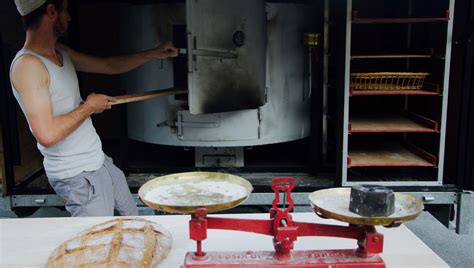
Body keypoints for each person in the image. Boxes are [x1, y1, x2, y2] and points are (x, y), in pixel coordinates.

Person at [10, 0, 178, 216]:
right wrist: (88, 107)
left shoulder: (59, 52)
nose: (69, 17)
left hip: (99, 162)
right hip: (78, 176)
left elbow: (109, 65)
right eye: (66, 10)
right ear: (51, 11)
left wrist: (153, 53)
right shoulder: (28, 66)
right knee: (100, 244)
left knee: (133, 228)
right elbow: (47, 134)